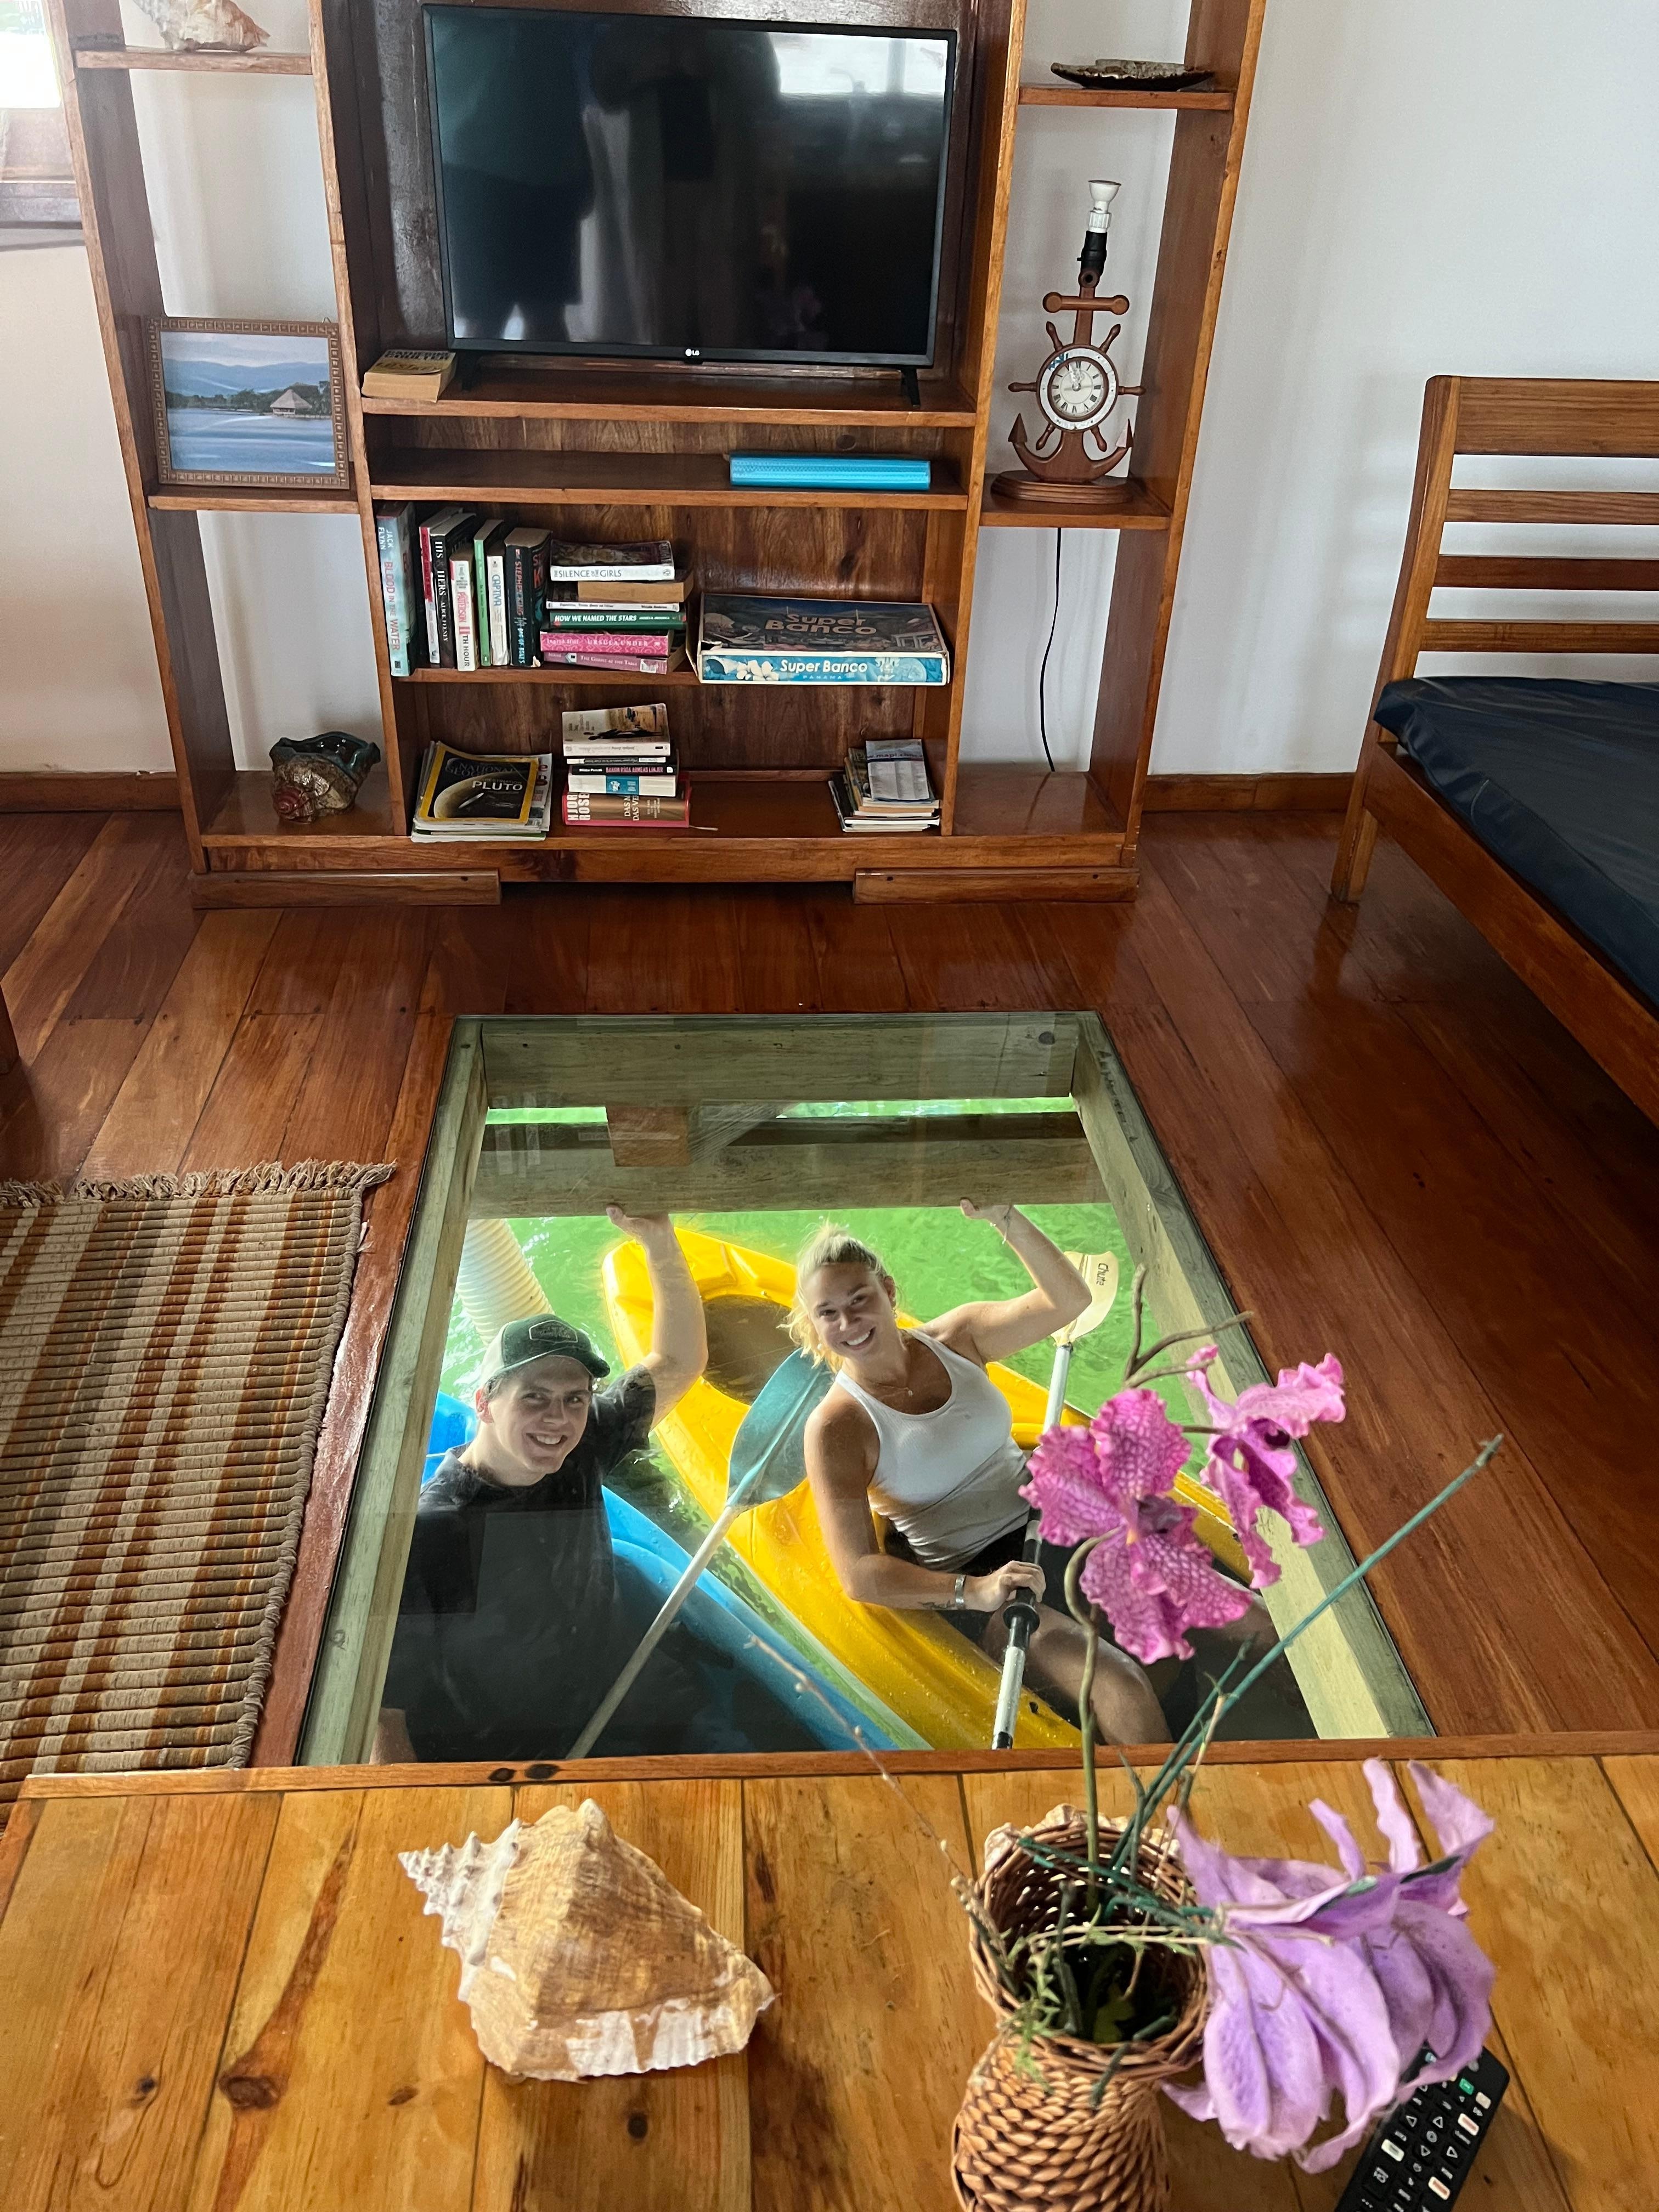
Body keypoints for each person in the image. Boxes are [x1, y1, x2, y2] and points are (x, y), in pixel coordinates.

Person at [798, 1206, 1168, 1746]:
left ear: (889, 1290)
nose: (850, 1323)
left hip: (1054, 1522)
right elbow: (858, 1573)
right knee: (1123, 1689)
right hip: (984, 1584)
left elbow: (1069, 1302)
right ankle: (1178, 1829)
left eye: (860, 1299)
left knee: (1248, 1616)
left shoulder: (959, 1337)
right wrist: (973, 1591)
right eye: (828, 1313)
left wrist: (1005, 1218)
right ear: (815, 1326)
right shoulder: (836, 1428)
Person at [374, 1208, 707, 1764]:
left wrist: (659, 1241)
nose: (558, 1419)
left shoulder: (581, 1446)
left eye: (574, 1398)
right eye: (534, 1397)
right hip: (504, 1755)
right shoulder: (436, 1531)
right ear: (483, 1402)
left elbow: (679, 1360)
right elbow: (388, 1713)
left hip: (614, 1701)